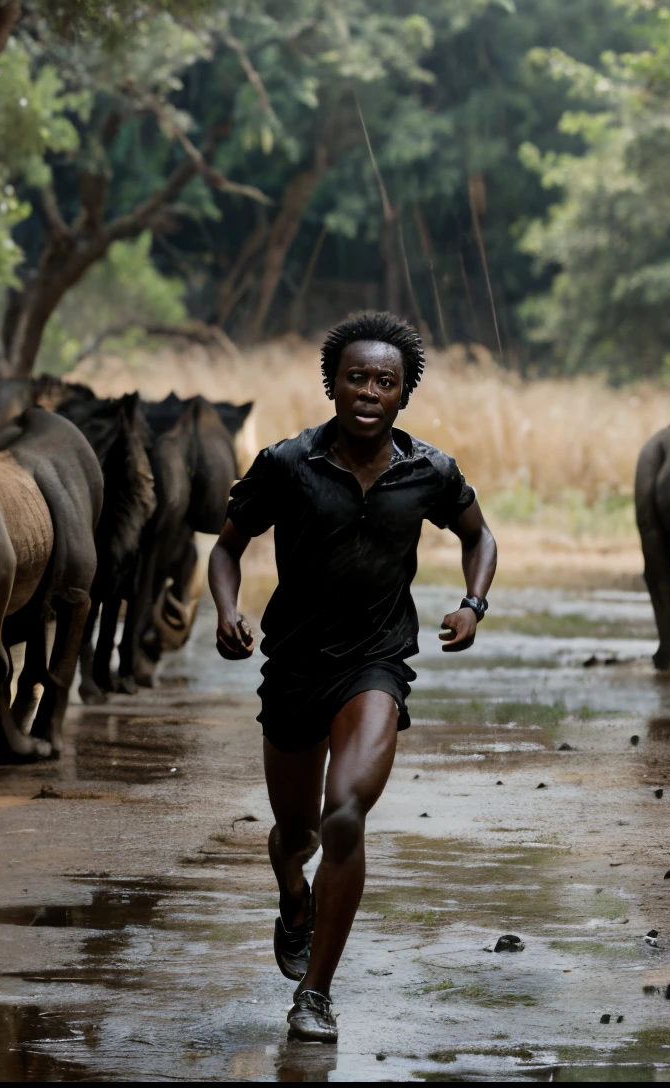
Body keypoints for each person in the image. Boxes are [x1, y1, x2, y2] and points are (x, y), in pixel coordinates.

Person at [207, 311, 498, 1043]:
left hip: (376, 663)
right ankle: (293, 897)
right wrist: (225, 609)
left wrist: (472, 604)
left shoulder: (429, 471)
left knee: (345, 816)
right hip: (294, 665)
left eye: (386, 381)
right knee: (296, 833)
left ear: (404, 395)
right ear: (332, 385)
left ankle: (315, 994)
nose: (370, 390)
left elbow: (478, 535)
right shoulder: (286, 464)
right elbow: (226, 547)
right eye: (357, 377)